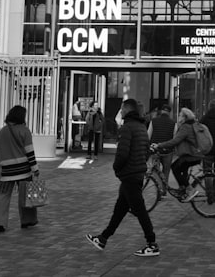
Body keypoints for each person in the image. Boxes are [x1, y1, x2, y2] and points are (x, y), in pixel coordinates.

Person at [85, 98, 159, 257]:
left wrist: (116, 167)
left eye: (121, 109)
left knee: (140, 211)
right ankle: (103, 238)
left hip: (130, 175)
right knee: (120, 209)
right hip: (137, 173)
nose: (120, 111)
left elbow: (122, 153)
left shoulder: (127, 128)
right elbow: (146, 151)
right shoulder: (141, 126)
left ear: (127, 110)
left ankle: (152, 244)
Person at [0, 105, 40, 232]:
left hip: (7, 171)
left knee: (3, 196)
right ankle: (27, 221)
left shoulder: (3, 131)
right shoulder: (25, 131)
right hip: (23, 170)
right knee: (25, 196)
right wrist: (35, 168)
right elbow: (30, 152)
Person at [151, 107, 202, 201]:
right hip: (194, 154)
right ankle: (183, 190)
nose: (178, 117)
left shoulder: (185, 127)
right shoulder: (191, 125)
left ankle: (190, 190)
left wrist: (159, 145)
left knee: (175, 168)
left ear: (184, 117)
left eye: (180, 115)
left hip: (191, 156)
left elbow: (175, 140)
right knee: (180, 168)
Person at [146, 102, 175, 195]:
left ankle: (159, 188)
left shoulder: (153, 121)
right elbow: (174, 139)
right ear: (169, 112)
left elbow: (148, 135)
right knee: (166, 171)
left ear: (161, 111)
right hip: (168, 151)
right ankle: (164, 190)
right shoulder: (173, 123)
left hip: (155, 150)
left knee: (156, 170)